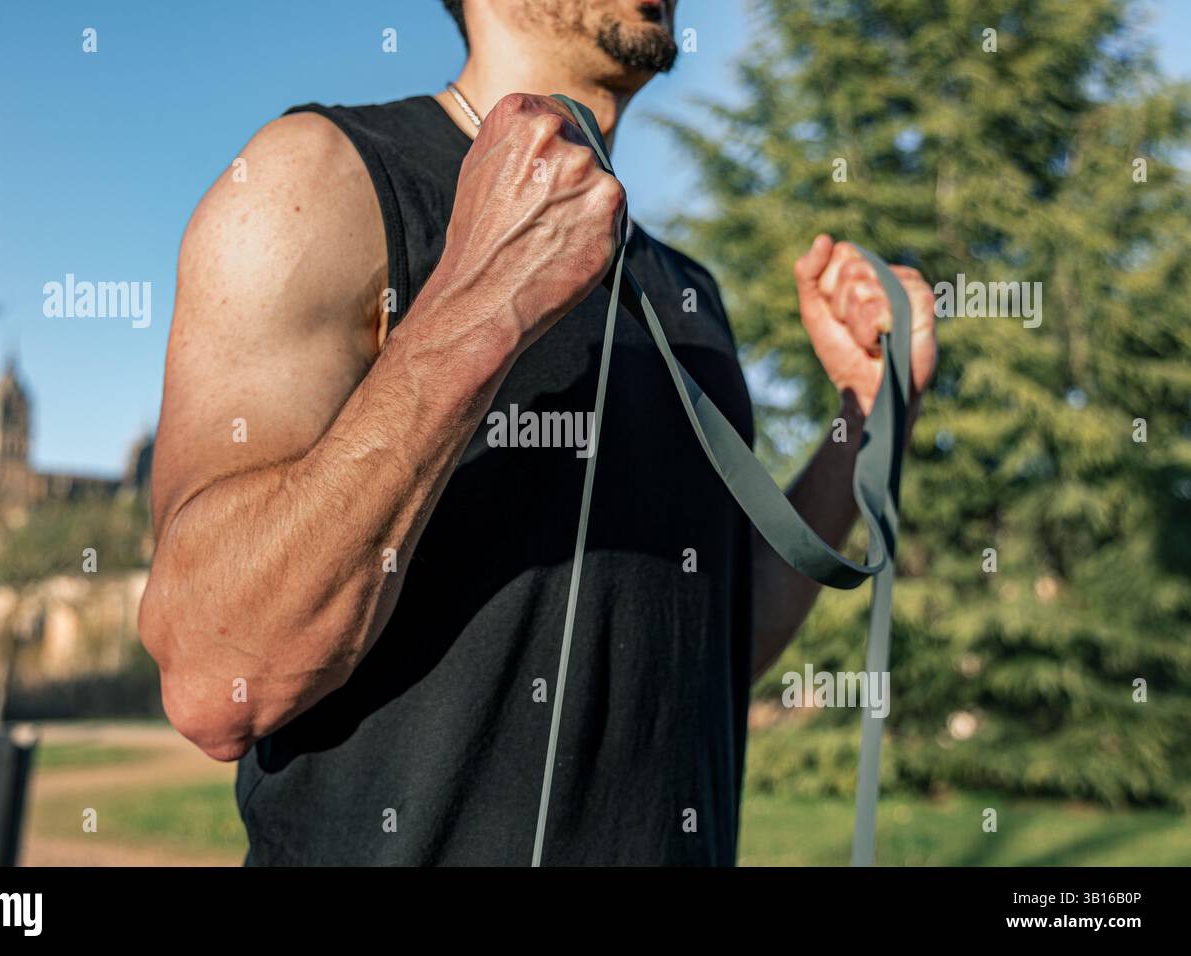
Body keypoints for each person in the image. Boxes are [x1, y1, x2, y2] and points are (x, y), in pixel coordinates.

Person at [139, 0, 938, 865]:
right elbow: (214, 678)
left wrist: (862, 411)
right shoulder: (314, 181)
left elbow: (715, 649)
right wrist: (479, 304)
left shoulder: (688, 295)